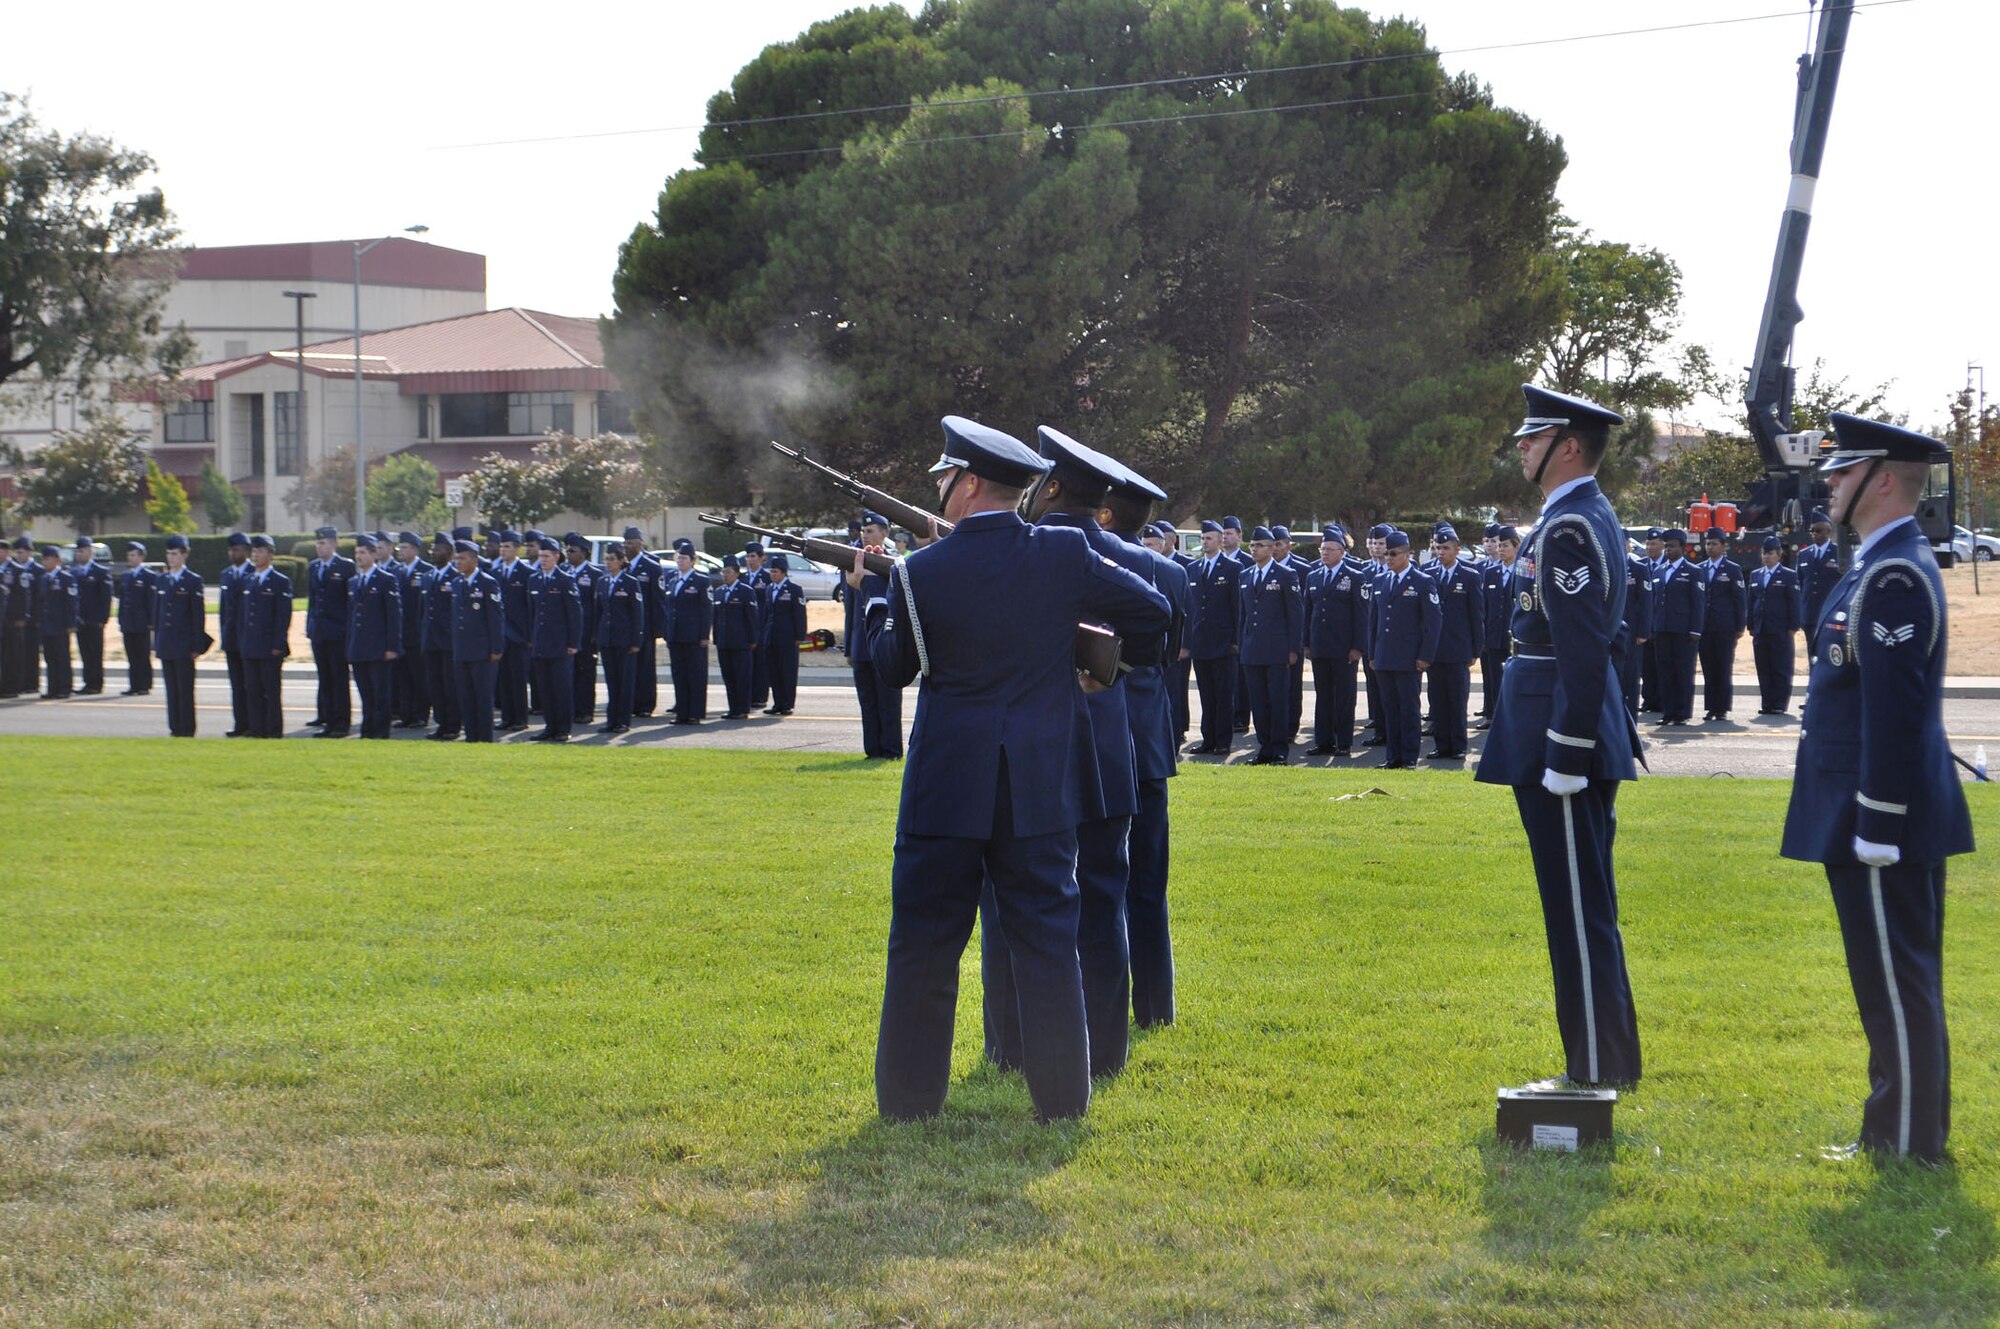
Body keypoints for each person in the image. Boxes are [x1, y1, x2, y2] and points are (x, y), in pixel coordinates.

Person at [860, 415, 1169, 1123]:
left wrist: (879, 604)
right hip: (1038, 788)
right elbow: (1153, 613)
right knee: (1049, 949)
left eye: (944, 478)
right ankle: (1062, 1103)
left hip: (945, 789)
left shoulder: (917, 571)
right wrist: (1104, 667)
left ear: (968, 485)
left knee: (924, 949)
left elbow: (893, 667)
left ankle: (909, 1105)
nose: (938, 489)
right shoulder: (1061, 555)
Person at [1780, 413, 1974, 1164]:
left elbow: (1893, 714)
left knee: (1897, 981)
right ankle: (1896, 1129)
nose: (1829, 480)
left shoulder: (1893, 573)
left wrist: (1879, 822)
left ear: (1882, 478)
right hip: (1865, 806)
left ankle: (1908, 1142)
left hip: (1879, 814)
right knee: (1888, 978)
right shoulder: (1879, 563)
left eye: (1843, 468)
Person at [1476, 384, 1642, 1090]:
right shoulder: (1575, 517)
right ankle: (1606, 1062)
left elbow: (1581, 647)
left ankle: (1594, 1069)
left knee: (1577, 910)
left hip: (1558, 738)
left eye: (1533, 435)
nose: (1521, 445)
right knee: (1583, 907)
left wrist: (1569, 751)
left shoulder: (1571, 525)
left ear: (1568, 445)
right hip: (1556, 727)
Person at [1101, 474, 1188, 1031]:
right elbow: (1173, 648)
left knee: (1092, 881)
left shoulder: (1075, 557)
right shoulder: (1172, 572)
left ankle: (1098, 1011)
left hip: (1093, 727)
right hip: (1148, 732)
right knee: (1148, 884)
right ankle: (1156, 1008)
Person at [1368, 530, 1438, 770]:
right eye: (1386, 553)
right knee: (1390, 708)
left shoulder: (1422, 581)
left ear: (1407, 554)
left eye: (1394, 553)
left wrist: (1425, 656)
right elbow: (1373, 621)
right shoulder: (1380, 580)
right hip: (1385, 656)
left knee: (1409, 708)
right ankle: (1392, 756)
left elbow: (1432, 622)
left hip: (1409, 658)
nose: (1389, 558)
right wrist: (1372, 654)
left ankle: (1408, 757)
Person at [1235, 526, 1304, 765]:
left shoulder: (1286, 574)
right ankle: (1264, 749)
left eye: (1260, 545)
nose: (1255, 549)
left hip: (1277, 650)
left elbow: (1295, 614)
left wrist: (1294, 648)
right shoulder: (1245, 575)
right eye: (1252, 545)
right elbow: (1242, 616)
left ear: (1273, 547)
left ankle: (1279, 750)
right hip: (1252, 650)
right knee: (1258, 703)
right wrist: (1241, 645)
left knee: (1278, 701)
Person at [842, 512, 903, 756]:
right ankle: (873, 749)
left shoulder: (896, 564)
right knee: (867, 700)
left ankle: (891, 749)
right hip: (861, 643)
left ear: (884, 533)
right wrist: (848, 646)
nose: (865, 535)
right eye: (864, 532)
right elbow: (850, 610)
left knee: (888, 701)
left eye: (871, 531)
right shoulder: (854, 564)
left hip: (886, 640)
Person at [1422, 522, 1484, 760]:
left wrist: (1476, 649)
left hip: (1459, 648)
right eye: (1438, 548)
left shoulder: (1469, 576)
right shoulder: (1427, 573)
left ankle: (1457, 746)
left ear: (1457, 550)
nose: (1441, 552)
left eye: (1446, 548)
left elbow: (1476, 615)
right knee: (1437, 700)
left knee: (1457, 700)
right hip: (1434, 649)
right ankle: (1441, 745)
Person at [1305, 525, 1368, 757]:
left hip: (1344, 649)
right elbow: (1308, 612)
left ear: (1342, 552)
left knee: (1344, 696)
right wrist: (1306, 643)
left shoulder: (1354, 576)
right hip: (1320, 647)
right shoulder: (1313, 576)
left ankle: (1343, 742)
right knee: (1323, 697)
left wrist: (1357, 646)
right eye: (1323, 549)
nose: (1325, 553)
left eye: (1330, 549)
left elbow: (1361, 616)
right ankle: (1323, 741)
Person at [1182, 520, 1240, 755]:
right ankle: (1208, 739)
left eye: (1209, 538)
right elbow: (1189, 610)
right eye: (1203, 538)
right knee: (1206, 694)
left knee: (1223, 694)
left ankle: (1223, 741)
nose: (1205, 542)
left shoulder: (1232, 568)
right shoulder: (1193, 569)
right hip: (1201, 642)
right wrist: (1187, 642)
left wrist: (1235, 640)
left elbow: (1237, 608)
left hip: (1224, 642)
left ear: (1220, 540)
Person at [344, 535, 403, 740]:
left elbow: (394, 616)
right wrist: (349, 647)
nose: (359, 557)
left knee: (380, 694)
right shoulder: (353, 582)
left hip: (379, 647)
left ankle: (380, 732)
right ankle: (367, 730)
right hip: (359, 647)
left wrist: (391, 646)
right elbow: (351, 617)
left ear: (374, 554)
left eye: (363, 552)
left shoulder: (386, 580)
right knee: (366, 694)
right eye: (357, 553)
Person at [447, 540, 504, 743]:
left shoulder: (488, 583)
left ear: (474, 559)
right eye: (456, 558)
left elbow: (495, 619)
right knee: (466, 697)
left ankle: (484, 738)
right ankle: (471, 736)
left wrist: (496, 648)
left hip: (482, 651)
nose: (458, 562)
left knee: (482, 698)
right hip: (462, 650)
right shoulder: (457, 583)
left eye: (462, 558)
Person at [526, 537, 582, 741]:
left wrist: (572, 643)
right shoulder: (534, 579)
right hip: (541, 643)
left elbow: (574, 615)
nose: (543, 559)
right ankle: (550, 726)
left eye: (547, 556)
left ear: (557, 557)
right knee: (545, 688)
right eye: (541, 556)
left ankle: (563, 728)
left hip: (560, 644)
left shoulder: (565, 580)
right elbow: (531, 613)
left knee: (561, 688)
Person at [238, 535, 292, 738]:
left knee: (270, 690)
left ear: (271, 554)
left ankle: (273, 729)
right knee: (252, 690)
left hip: (270, 645)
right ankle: (256, 727)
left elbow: (282, 616)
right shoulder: (249, 579)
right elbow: (244, 614)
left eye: (260, 551)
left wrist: (278, 643)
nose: (256, 555)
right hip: (251, 644)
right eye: (254, 551)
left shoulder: (279, 581)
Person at [1649, 528, 1704, 727]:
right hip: (1662, 628)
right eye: (1666, 547)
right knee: (1665, 672)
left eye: (1672, 547)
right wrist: (1652, 626)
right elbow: (1654, 601)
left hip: (1683, 631)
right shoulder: (1658, 571)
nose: (1668, 550)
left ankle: (1682, 712)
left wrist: (1695, 630)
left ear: (1683, 548)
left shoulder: (1693, 571)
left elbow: (1697, 603)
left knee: (1682, 671)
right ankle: (1668, 711)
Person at [153, 534, 205, 737]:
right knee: (171, 689)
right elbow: (157, 614)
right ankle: (174, 727)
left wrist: (196, 645)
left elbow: (197, 617)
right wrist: (156, 642)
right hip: (166, 642)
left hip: (184, 643)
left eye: (175, 554)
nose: (171, 558)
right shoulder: (162, 580)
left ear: (184, 555)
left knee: (185, 690)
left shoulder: (192, 580)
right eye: (168, 554)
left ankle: (186, 728)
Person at [304, 526, 355, 736]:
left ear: (334, 544)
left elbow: (350, 602)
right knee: (325, 679)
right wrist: (310, 627)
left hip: (338, 631)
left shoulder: (345, 566)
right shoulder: (314, 567)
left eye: (324, 543)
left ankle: (342, 723)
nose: (319, 547)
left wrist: (348, 631)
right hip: (320, 632)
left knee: (338, 679)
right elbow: (313, 600)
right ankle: (329, 721)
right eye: (318, 543)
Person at [1747, 534, 1804, 714]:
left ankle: (1779, 704)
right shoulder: (1756, 575)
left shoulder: (1788, 575)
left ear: (1779, 554)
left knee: (1780, 667)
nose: (1766, 557)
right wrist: (1750, 625)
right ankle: (1767, 703)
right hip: (1761, 628)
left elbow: (1794, 603)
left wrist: (1793, 626)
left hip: (1780, 628)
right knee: (1763, 667)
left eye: (1770, 553)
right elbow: (1751, 602)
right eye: (1764, 553)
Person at [1697, 529, 1748, 722]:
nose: (1710, 547)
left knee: (1723, 667)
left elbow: (1739, 599)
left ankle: (1722, 707)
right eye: (1708, 544)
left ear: (1724, 546)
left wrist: (1740, 626)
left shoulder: (1732, 569)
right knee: (1708, 667)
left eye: (1714, 544)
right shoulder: (1700, 568)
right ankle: (1711, 707)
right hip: (1705, 626)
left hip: (1725, 626)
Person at [595, 545, 645, 734]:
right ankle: (611, 720)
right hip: (607, 639)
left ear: (622, 561)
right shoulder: (602, 582)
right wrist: (597, 636)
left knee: (624, 682)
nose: (608, 562)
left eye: (612, 559)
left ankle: (623, 721)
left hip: (625, 640)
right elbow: (598, 612)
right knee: (611, 681)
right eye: (606, 559)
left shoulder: (631, 582)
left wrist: (635, 641)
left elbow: (637, 614)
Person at [663, 539, 712, 725]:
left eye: (684, 558)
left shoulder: (701, 580)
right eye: (679, 557)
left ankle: (695, 713)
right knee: (679, 675)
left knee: (695, 675)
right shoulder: (673, 580)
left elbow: (706, 610)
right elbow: (668, 610)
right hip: (676, 636)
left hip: (693, 637)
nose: (680, 561)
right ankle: (682, 713)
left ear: (693, 560)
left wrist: (704, 635)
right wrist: (667, 633)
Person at [1477, 524, 1519, 729]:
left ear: (1516, 546)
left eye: (1505, 545)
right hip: (1493, 636)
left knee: (1514, 680)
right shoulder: (1490, 573)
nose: (1501, 549)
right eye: (1499, 545)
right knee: (1493, 679)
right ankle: (1492, 715)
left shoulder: (1523, 571)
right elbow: (1483, 606)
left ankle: (1513, 717)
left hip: (1515, 637)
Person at [421, 533, 462, 741]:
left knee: (450, 685)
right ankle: (441, 723)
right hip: (431, 640)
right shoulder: (428, 577)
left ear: (449, 552)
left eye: (438, 549)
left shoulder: (456, 576)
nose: (434, 552)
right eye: (433, 549)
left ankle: (453, 725)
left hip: (449, 641)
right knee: (435, 685)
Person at [620, 527, 665, 718]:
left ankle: (646, 704)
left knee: (645, 667)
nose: (626, 547)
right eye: (625, 543)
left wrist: (658, 628)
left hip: (645, 626)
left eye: (630, 543)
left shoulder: (652, 567)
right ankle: (630, 703)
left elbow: (658, 600)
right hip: (626, 626)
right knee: (628, 668)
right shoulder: (623, 566)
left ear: (640, 544)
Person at [491, 530, 533, 732]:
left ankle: (520, 718)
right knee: (504, 679)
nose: (503, 550)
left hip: (519, 635)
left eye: (507, 546)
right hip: (501, 634)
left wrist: (529, 635)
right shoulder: (496, 573)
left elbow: (530, 607)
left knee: (518, 679)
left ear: (517, 549)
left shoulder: (526, 573)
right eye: (501, 546)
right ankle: (507, 717)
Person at [711, 554, 762, 719]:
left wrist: (753, 639)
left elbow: (752, 618)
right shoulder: (719, 592)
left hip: (741, 642)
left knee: (742, 677)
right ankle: (733, 708)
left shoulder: (746, 592)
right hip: (724, 642)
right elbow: (716, 618)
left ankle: (742, 708)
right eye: (723, 572)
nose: (725, 575)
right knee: (729, 677)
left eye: (728, 572)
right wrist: (716, 638)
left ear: (736, 573)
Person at [389, 533, 431, 729]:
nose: (401, 551)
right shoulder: (396, 572)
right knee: (402, 677)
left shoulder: (426, 571)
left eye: (405, 547)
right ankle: (406, 715)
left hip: (417, 633)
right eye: (400, 547)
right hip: (401, 633)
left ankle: (421, 714)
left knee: (419, 676)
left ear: (415, 549)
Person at [760, 553, 808, 716]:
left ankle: (787, 703)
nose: (772, 574)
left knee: (787, 671)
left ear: (783, 572)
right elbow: (767, 614)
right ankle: (778, 703)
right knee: (774, 672)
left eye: (775, 571)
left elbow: (800, 615)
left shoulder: (794, 590)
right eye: (771, 571)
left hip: (787, 637)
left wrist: (799, 636)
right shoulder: (769, 589)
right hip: (771, 636)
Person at [218, 532, 253, 734]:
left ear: (246, 551)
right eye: (231, 549)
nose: (233, 553)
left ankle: (251, 723)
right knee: (237, 685)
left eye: (237, 549)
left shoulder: (252, 572)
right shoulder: (226, 574)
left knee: (250, 685)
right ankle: (240, 724)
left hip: (248, 638)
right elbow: (224, 610)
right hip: (232, 638)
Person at [563, 534, 600, 725]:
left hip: (586, 635)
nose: (568, 554)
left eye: (572, 551)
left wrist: (595, 632)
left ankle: (585, 711)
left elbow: (597, 607)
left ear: (584, 554)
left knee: (585, 673)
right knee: (567, 674)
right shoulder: (562, 572)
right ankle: (570, 709)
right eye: (567, 550)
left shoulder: (594, 575)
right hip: (565, 634)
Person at [1798, 509, 1844, 657]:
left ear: (1828, 531)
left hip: (1830, 613)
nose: (1814, 533)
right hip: (1810, 615)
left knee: (1830, 654)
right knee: (1813, 655)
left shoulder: (1838, 553)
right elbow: (1799, 583)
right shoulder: (1804, 555)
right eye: (1812, 530)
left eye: (1818, 530)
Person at [70, 537, 112, 694]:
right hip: (80, 620)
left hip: (95, 620)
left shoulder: (100, 571)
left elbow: (106, 597)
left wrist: (103, 619)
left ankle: (96, 684)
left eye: (82, 551)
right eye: (78, 551)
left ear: (89, 551)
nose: (79, 554)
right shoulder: (74, 572)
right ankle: (88, 683)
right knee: (85, 653)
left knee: (95, 653)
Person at [114, 542, 156, 696]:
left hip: (142, 622)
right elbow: (123, 599)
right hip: (128, 622)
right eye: (129, 555)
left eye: (133, 555)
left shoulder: (149, 576)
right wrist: (120, 619)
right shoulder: (126, 576)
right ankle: (134, 685)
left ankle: (144, 685)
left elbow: (151, 601)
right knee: (131, 655)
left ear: (141, 557)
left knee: (143, 655)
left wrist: (151, 622)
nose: (130, 558)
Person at [35, 545, 77, 698]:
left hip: (60, 625)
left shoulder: (66, 578)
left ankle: (65, 688)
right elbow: (41, 603)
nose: (44, 562)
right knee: (50, 658)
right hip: (47, 625)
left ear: (57, 561)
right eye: (43, 559)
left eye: (47, 559)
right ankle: (53, 688)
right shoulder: (44, 578)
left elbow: (71, 603)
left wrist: (71, 624)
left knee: (62, 657)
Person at [1620, 549, 1655, 721]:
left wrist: (1643, 632)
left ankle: (1631, 718)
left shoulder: (1638, 569)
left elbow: (1646, 602)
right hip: (1610, 632)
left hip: (1632, 633)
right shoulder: (1606, 564)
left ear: (1627, 545)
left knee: (1630, 678)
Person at [0, 536, 38, 698]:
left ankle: (12, 687)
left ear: (6, 552)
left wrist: (22, 616)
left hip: (12, 620)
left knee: (13, 654)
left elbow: (24, 596)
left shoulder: (17, 570)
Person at [1638, 528, 1667, 713]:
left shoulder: (1668, 565)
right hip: (1645, 624)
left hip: (1663, 623)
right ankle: (1648, 700)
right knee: (1646, 665)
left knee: (1662, 664)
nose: (1650, 547)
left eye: (1654, 543)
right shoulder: (1641, 565)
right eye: (1648, 543)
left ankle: (1662, 700)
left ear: (1663, 545)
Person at [742, 541, 772, 711]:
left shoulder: (767, 578)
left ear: (762, 559)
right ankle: (748, 695)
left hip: (761, 626)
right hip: (746, 628)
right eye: (748, 556)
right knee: (747, 665)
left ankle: (760, 696)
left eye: (753, 556)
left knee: (761, 663)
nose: (750, 560)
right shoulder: (743, 578)